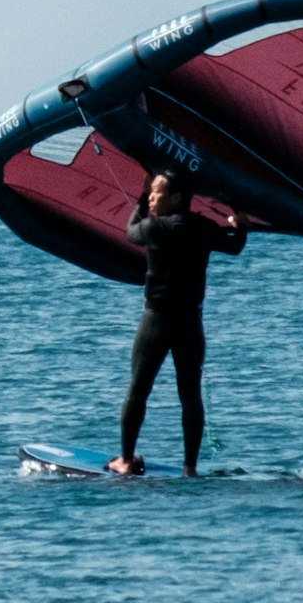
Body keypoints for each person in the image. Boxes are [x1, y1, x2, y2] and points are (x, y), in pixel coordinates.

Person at [111, 161, 219, 475]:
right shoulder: (203, 228)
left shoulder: (153, 227)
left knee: (138, 389)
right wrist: (237, 223)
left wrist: (139, 201)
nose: (152, 198)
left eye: (157, 193)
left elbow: (130, 232)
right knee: (190, 395)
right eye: (151, 193)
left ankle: (126, 461)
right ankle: (190, 467)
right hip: (189, 324)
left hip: (156, 322)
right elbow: (234, 245)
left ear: (176, 197)